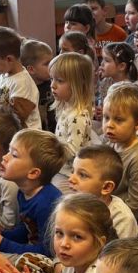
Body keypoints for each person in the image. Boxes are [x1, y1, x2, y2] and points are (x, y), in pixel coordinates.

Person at [0, 128, 65, 256]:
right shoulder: (23, 192)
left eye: (14, 155)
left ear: (33, 173)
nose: (5, 157)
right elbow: (28, 229)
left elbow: (48, 251)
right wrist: (3, 235)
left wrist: (3, 244)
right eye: (9, 151)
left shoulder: (46, 204)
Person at [102, 83, 138, 236]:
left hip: (130, 222)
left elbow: (137, 205)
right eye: (106, 118)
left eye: (119, 120)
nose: (109, 125)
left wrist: (103, 218)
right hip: (107, 207)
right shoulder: (110, 144)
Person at [48, 51, 96, 192]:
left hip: (71, 175)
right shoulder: (65, 107)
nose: (53, 85)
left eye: (60, 81)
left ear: (77, 84)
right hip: (61, 169)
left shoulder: (78, 116)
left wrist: (48, 154)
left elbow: (72, 150)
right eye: (52, 79)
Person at [67, 145, 138, 239]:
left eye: (82, 175)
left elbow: (118, 249)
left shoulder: (122, 219)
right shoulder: (71, 203)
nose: (71, 179)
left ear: (106, 187)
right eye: (72, 171)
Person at [0, 26, 41, 131]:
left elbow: (16, 117)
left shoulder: (22, 82)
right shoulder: (2, 74)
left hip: (27, 134)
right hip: (9, 128)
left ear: (9, 59)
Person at [20, 39, 54, 130]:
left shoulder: (54, 83)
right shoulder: (25, 90)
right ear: (31, 69)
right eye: (46, 64)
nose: (52, 66)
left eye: (52, 62)